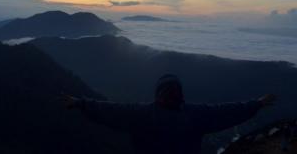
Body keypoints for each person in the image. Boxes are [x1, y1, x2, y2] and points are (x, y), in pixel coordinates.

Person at [63, 74, 276, 154]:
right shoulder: (195, 115)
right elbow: (228, 112)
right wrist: (256, 104)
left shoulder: (141, 115)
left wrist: (81, 103)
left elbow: (109, 111)